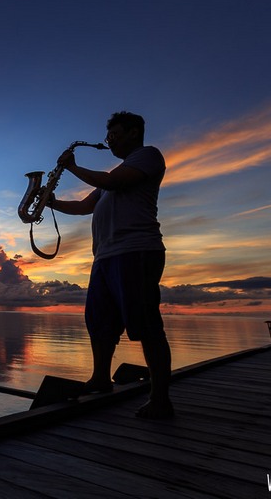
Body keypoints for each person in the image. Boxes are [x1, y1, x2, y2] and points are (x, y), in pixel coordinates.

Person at [50, 111, 172, 419]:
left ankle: (160, 399)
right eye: (109, 136)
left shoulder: (148, 157)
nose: (109, 141)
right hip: (105, 257)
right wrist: (49, 202)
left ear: (133, 133)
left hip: (136, 252)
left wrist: (72, 166)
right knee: (99, 322)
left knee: (146, 326)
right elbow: (83, 207)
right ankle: (100, 378)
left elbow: (114, 182)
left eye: (115, 135)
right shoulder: (112, 177)